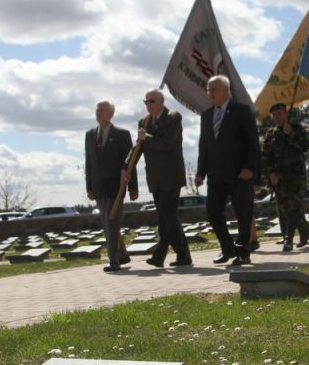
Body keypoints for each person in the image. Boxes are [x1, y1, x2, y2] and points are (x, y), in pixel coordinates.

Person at [195, 75, 259, 266]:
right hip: (216, 175)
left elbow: (253, 144)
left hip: (240, 174)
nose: (210, 93)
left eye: (213, 89)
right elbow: (204, 146)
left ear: (226, 90)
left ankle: (244, 251)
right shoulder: (206, 116)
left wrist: (249, 168)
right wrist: (200, 172)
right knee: (213, 212)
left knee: (243, 214)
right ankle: (228, 248)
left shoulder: (241, 111)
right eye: (208, 89)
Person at [138, 89, 192, 268]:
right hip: (155, 178)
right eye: (146, 101)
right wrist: (126, 166)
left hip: (171, 176)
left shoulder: (173, 117)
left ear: (161, 101)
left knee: (165, 218)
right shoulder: (144, 122)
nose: (148, 104)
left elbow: (168, 143)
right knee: (169, 217)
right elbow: (139, 147)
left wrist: (147, 137)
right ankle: (184, 256)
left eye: (152, 101)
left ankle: (159, 255)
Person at [85, 100, 138, 272]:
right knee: (107, 223)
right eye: (97, 109)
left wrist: (133, 188)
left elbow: (130, 162)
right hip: (98, 187)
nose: (99, 112)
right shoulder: (90, 134)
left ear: (111, 114)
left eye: (102, 110)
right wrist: (89, 187)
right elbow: (89, 162)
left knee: (112, 221)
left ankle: (114, 261)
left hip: (116, 186)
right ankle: (122, 255)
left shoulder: (122, 134)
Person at [263, 102, 309, 252]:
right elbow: (266, 157)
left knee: (293, 208)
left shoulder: (296, 128)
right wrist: (270, 175)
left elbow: (306, 146)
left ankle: (288, 240)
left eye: (279, 114)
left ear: (285, 113)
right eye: (274, 115)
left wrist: (291, 134)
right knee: (285, 209)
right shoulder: (271, 134)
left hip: (296, 177)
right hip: (279, 178)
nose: (276, 117)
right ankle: (304, 230)